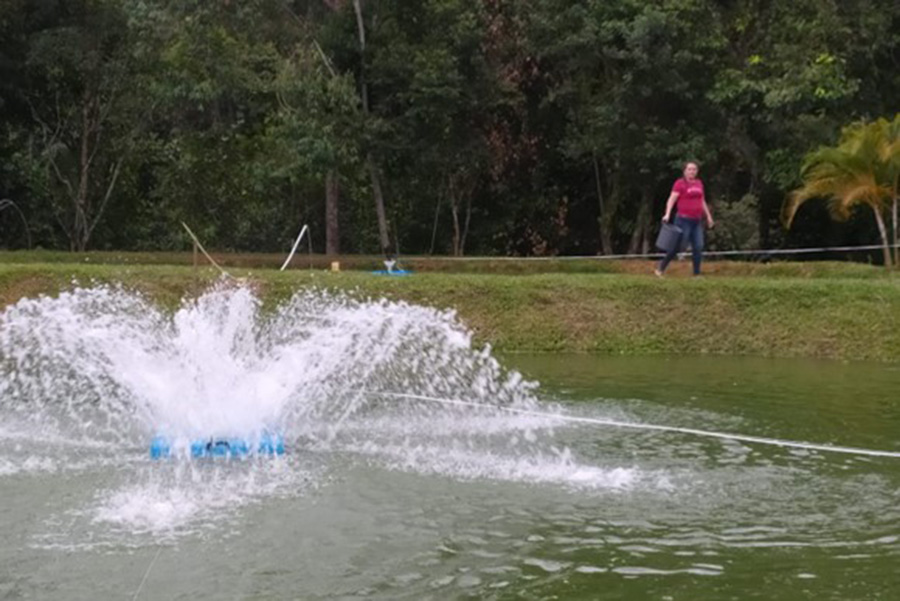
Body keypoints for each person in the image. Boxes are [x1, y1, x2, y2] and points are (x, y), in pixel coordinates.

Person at [655, 162, 715, 277]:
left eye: (694, 169)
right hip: (683, 219)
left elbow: (702, 201)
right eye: (689, 169)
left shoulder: (699, 183)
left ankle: (696, 274)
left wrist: (708, 216)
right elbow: (672, 199)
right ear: (685, 171)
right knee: (678, 247)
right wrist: (667, 214)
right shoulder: (679, 184)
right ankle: (661, 267)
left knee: (698, 246)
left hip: (696, 220)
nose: (692, 171)